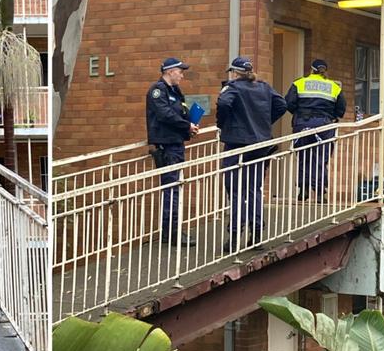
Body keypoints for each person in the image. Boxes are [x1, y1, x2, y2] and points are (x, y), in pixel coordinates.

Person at [217, 57, 287, 252]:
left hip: (237, 144)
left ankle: (234, 237)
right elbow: (281, 104)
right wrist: (264, 123)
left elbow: (223, 104)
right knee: (254, 189)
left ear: (234, 72)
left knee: (236, 190)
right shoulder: (263, 87)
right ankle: (256, 235)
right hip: (260, 143)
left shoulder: (233, 87)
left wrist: (223, 124)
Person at [146, 58, 200, 246]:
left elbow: (179, 114)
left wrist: (190, 126)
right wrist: (187, 125)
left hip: (176, 144)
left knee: (174, 188)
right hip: (167, 146)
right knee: (172, 189)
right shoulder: (158, 90)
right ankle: (172, 233)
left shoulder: (176, 92)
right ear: (169, 71)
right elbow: (165, 115)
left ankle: (171, 231)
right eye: (180, 72)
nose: (182, 75)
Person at [285, 59, 346, 202]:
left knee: (303, 157)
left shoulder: (299, 83)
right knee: (320, 158)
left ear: (311, 70)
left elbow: (288, 103)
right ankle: (319, 192)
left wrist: (299, 113)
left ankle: (303, 190)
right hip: (324, 124)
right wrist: (332, 116)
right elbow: (341, 109)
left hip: (302, 123)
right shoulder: (334, 86)